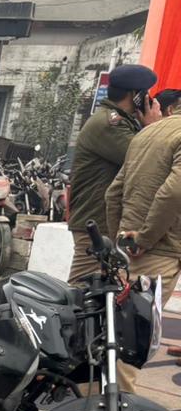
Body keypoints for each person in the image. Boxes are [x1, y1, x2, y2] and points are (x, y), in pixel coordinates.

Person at [104, 106, 181, 390]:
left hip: (136, 246)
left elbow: (113, 193)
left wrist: (120, 241)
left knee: (117, 328)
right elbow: (173, 192)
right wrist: (145, 238)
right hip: (159, 248)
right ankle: (114, 409)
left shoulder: (146, 134)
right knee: (132, 337)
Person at [67, 64, 161, 282]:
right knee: (81, 286)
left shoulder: (123, 121)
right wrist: (153, 128)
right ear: (135, 95)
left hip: (105, 220)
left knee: (103, 289)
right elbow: (144, 160)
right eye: (145, 93)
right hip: (96, 221)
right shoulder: (109, 123)